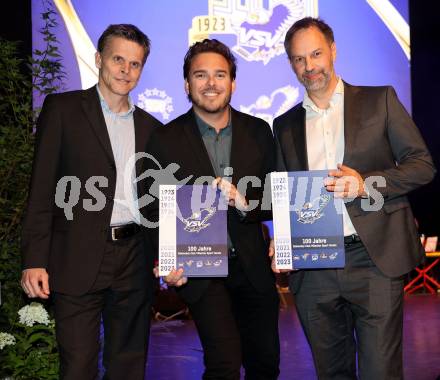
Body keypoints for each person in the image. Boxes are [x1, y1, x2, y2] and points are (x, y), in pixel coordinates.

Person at [272, 17, 436, 379]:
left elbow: (422, 165)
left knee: (381, 372)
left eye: (316, 53)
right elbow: (287, 193)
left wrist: (366, 185)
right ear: (291, 64)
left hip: (374, 259)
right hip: (314, 267)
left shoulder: (381, 100)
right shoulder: (284, 125)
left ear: (333, 50)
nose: (309, 66)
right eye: (299, 59)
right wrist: (282, 241)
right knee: (331, 374)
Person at [21, 24, 162, 379]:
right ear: (99, 59)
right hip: (76, 257)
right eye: (118, 59)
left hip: (135, 258)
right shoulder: (63, 110)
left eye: (135, 64)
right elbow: (41, 189)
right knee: (78, 365)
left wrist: (167, 253)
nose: (125, 71)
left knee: (129, 365)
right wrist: (34, 259)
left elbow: (158, 201)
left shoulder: (152, 128)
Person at [147, 39, 280, 379]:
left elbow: (274, 198)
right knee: (223, 363)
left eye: (220, 75)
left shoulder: (259, 131)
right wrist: (164, 262)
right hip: (200, 272)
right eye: (200, 75)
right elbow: (154, 209)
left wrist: (244, 203)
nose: (211, 83)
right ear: (187, 84)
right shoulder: (165, 139)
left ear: (232, 83)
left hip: (252, 266)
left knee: (265, 364)